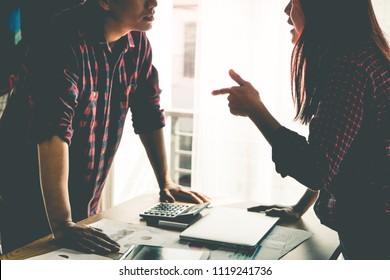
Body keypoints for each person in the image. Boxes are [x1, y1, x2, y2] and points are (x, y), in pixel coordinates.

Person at [0, 0, 209, 255]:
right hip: (28, 196)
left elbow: (148, 112)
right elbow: (53, 128)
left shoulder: (138, 44)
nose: (154, 3)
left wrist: (165, 181)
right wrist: (62, 223)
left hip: (84, 196)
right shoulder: (59, 38)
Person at [212, 0, 389, 259]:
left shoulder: (350, 68)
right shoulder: (365, 56)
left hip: (373, 232)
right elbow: (339, 152)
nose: (287, 11)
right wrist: (299, 207)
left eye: (294, 2)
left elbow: (317, 167)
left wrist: (255, 109)